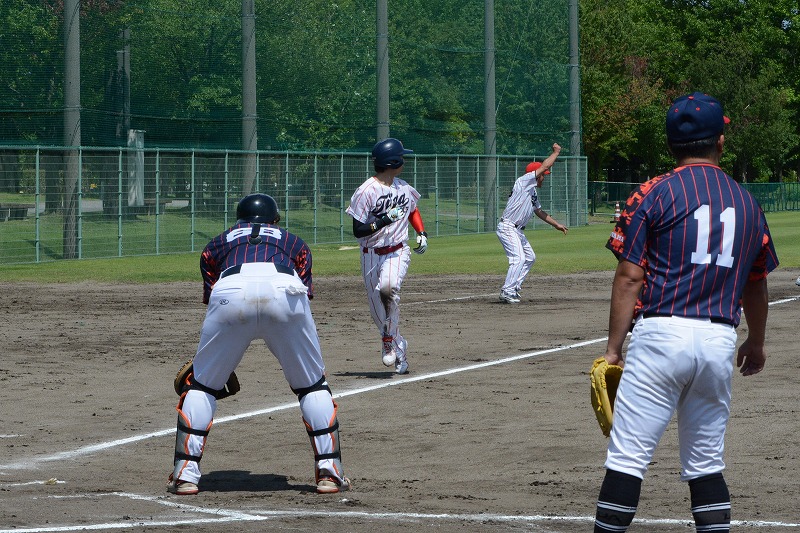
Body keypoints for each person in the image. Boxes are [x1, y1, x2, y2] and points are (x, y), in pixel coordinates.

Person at [593, 92, 779, 533]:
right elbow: (756, 283)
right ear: (720, 141)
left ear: (670, 143)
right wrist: (756, 342)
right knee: (706, 463)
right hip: (718, 340)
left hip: (660, 335)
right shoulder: (747, 202)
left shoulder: (652, 192)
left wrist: (614, 349)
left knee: (628, 459)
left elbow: (629, 277)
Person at [167, 193, 349, 495]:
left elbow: (212, 294)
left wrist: (218, 362)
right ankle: (330, 475)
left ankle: (185, 475)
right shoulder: (293, 241)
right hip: (285, 289)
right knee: (312, 386)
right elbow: (304, 289)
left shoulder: (217, 243)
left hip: (230, 290)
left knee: (201, 387)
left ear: (239, 220)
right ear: (274, 220)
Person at [345, 138, 428, 375]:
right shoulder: (366, 191)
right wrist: (383, 220)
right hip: (371, 254)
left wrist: (421, 232)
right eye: (401, 157)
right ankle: (397, 345)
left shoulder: (403, 187)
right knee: (378, 311)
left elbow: (412, 210)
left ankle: (388, 339)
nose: (404, 160)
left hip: (397, 251)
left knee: (388, 289)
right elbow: (358, 230)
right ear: (392, 162)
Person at [496, 143, 568, 303]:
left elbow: (539, 211)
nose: (544, 177)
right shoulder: (523, 182)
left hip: (517, 230)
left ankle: (514, 287)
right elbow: (545, 166)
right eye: (543, 175)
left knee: (530, 257)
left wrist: (556, 224)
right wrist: (556, 153)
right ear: (535, 175)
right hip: (508, 226)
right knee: (518, 258)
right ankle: (507, 291)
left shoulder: (532, 191)